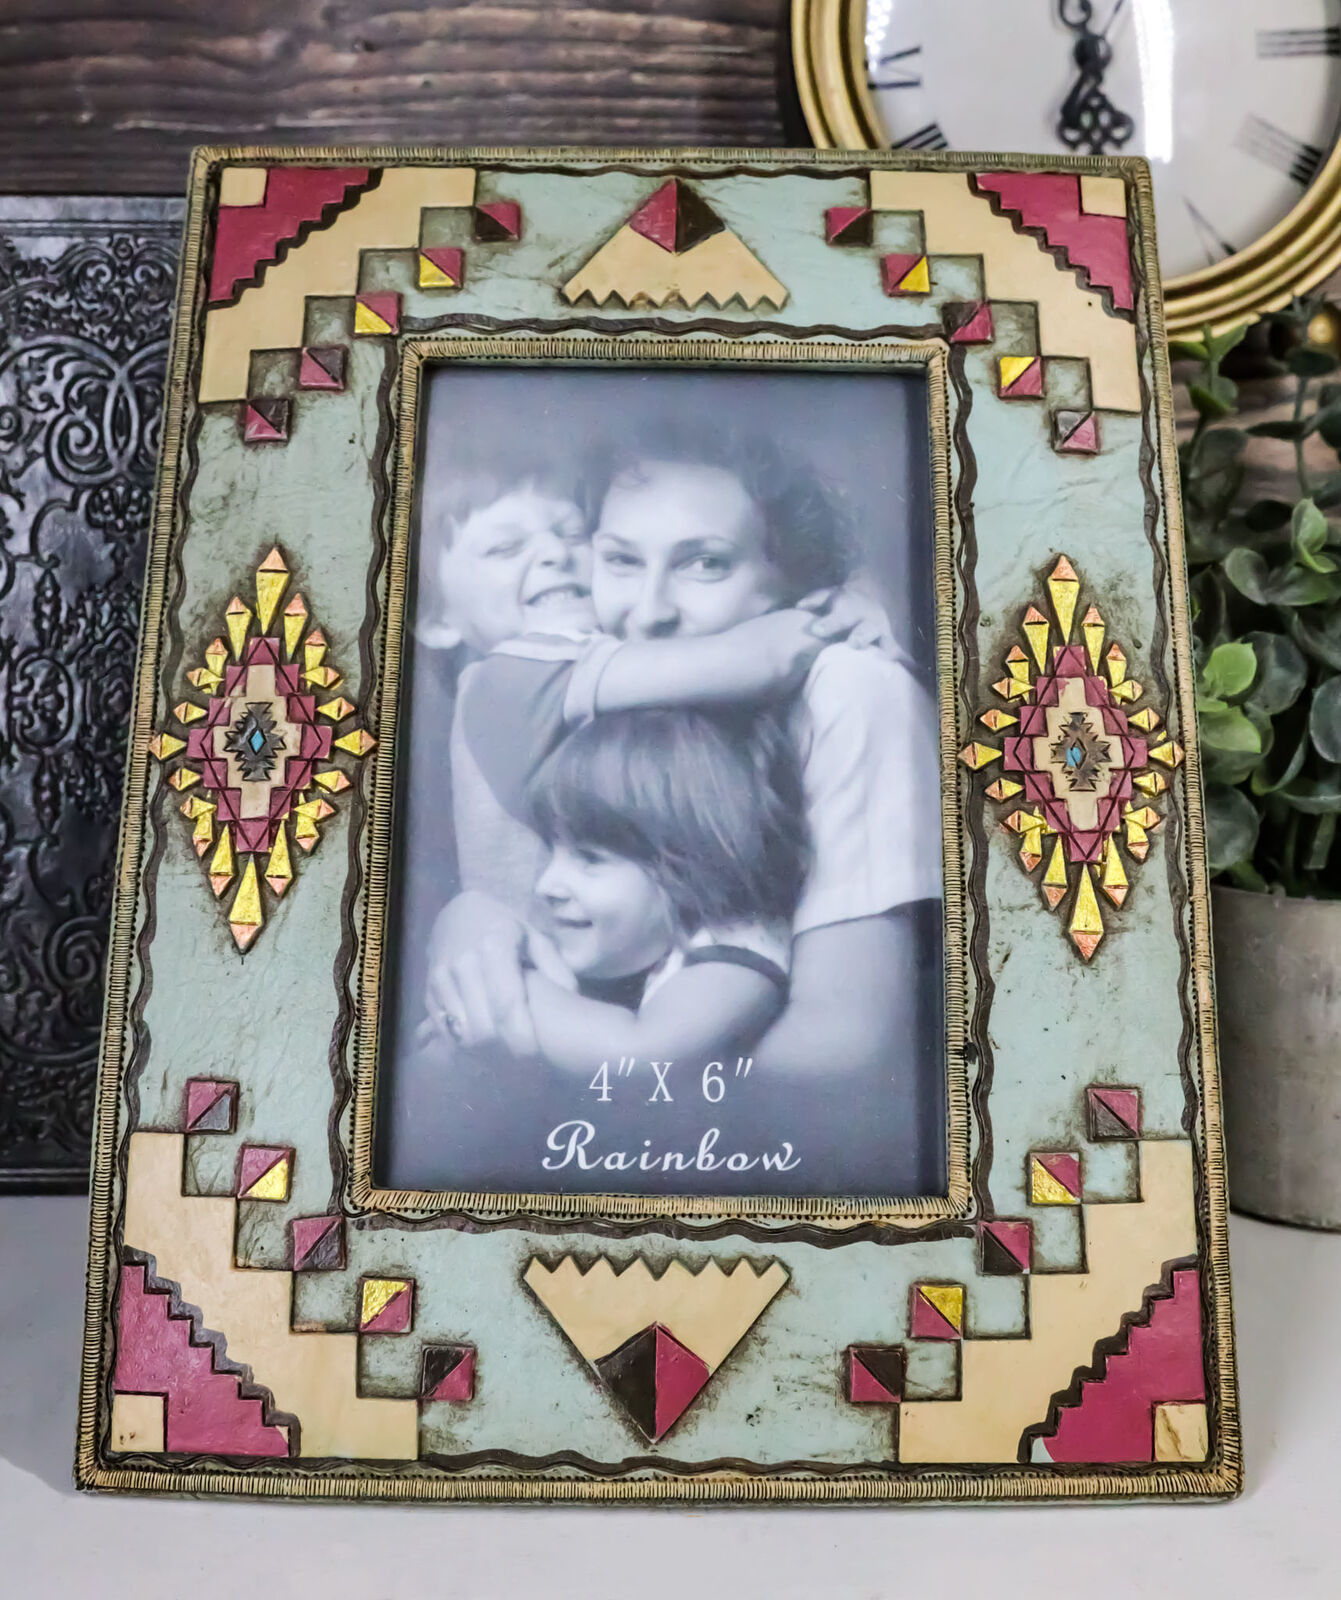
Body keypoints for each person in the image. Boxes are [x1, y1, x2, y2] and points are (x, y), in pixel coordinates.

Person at [421, 418, 945, 1196]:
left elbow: (837, 1053)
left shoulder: (849, 692)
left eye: (705, 564)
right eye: (619, 560)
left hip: (725, 1160)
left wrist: (551, 1061)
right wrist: (469, 924)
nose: (648, 612)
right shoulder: (590, 675)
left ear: (791, 584)